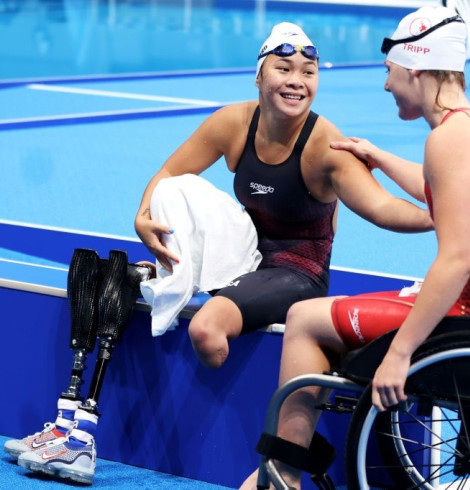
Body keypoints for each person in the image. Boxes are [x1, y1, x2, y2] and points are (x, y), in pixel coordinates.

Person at [241, 6, 470, 489]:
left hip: (468, 314)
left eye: (389, 71)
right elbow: (443, 188)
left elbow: (457, 258)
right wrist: (378, 156)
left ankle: (283, 476)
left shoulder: (450, 139)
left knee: (305, 319)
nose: (385, 85)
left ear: (415, 68)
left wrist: (400, 353)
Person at [134, 22, 432, 370]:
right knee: (175, 190)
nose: (297, 81)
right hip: (243, 254)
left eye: (309, 72)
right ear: (259, 77)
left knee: (206, 330)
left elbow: (382, 207)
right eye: (284, 69)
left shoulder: (326, 147)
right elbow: (169, 174)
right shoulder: (233, 123)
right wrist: (143, 217)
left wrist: (438, 217)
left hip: (298, 273)